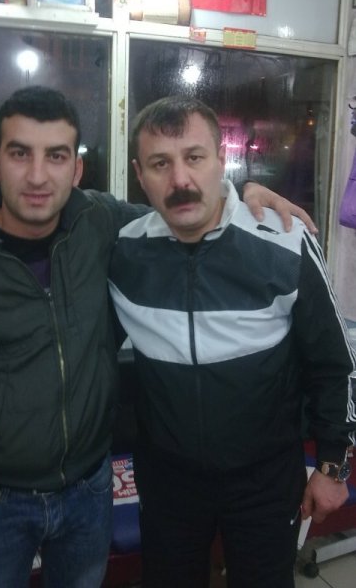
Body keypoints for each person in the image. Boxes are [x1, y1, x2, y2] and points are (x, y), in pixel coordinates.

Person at [0, 85, 315, 588]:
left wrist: (245, 192)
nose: (38, 175)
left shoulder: (100, 223)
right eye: (20, 154)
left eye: (56, 156)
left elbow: (184, 208)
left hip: (88, 490)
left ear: (77, 169)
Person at [108, 96, 356, 588]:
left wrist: (333, 466)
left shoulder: (284, 240)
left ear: (222, 158)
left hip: (265, 480)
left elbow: (333, 362)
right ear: (139, 174)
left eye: (194, 157)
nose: (180, 179)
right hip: (167, 480)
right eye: (160, 163)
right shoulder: (124, 251)